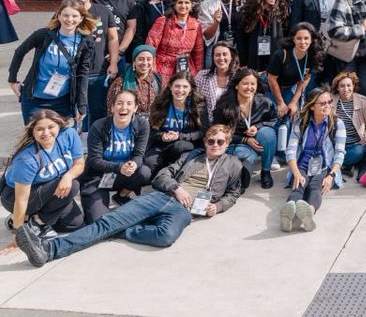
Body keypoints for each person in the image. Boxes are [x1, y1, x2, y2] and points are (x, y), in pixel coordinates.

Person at [12, 124, 247, 266]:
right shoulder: (191, 156)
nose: (214, 144)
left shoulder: (234, 164)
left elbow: (234, 192)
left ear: (227, 144)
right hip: (163, 198)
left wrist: (219, 206)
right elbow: (162, 175)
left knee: (164, 237)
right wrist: (176, 187)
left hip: (185, 212)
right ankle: (48, 250)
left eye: (220, 142)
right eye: (211, 141)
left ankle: (122, 229)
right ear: (205, 142)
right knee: (105, 224)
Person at [1, 111, 86, 240]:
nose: (46, 133)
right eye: (40, 129)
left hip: (49, 189)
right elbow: (21, 199)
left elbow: (79, 164)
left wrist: (67, 177)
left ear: (59, 125)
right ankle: (33, 223)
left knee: (75, 223)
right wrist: (19, 236)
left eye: (51, 127)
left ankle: (30, 219)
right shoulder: (27, 158)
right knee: (73, 186)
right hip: (15, 196)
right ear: (33, 132)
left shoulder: (69, 134)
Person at [7, 0, 95, 123]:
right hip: (34, 99)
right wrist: (12, 79)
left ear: (81, 18)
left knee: (60, 138)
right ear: (59, 16)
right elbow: (19, 52)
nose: (69, 20)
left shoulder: (85, 41)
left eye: (74, 16)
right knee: (34, 137)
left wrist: (81, 105)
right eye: (65, 15)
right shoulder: (44, 35)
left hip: (62, 101)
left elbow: (82, 73)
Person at [79, 90, 151, 224]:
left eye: (129, 103)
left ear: (135, 108)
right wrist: (119, 167)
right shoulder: (98, 126)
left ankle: (122, 195)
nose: (124, 107)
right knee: (98, 222)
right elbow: (94, 160)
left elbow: (138, 154)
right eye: (119, 103)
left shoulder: (142, 125)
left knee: (144, 172)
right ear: (112, 107)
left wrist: (134, 164)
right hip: (99, 176)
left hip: (123, 175)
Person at [281, 88, 345, 233]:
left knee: (315, 187)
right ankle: (288, 214)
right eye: (322, 103)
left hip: (324, 165)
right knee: (299, 186)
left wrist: (332, 176)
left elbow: (340, 153)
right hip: (302, 164)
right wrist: (296, 173)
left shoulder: (337, 123)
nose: (327, 106)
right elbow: (290, 150)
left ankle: (309, 212)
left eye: (329, 102)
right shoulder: (300, 122)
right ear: (311, 106)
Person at [212, 68, 279, 188]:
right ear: (237, 85)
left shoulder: (265, 102)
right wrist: (245, 140)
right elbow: (218, 132)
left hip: (258, 141)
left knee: (268, 133)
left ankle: (266, 171)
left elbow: (273, 120)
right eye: (245, 83)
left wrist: (257, 127)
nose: (249, 87)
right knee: (242, 154)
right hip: (235, 143)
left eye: (253, 84)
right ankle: (239, 176)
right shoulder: (224, 105)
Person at [145, 72, 205, 173]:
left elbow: (203, 132)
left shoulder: (198, 105)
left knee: (180, 146)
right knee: (150, 164)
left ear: (190, 90)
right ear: (170, 87)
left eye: (185, 87)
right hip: (162, 145)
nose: (180, 90)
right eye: (177, 86)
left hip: (185, 144)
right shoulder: (160, 103)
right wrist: (162, 136)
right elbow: (151, 131)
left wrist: (180, 136)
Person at [266, 23, 323, 126]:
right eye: (299, 38)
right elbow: (271, 79)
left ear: (311, 40)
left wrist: (293, 101)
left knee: (290, 117)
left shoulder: (312, 56)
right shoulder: (281, 54)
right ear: (293, 39)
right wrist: (280, 102)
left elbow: (305, 79)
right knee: (276, 117)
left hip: (290, 88)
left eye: (306, 38)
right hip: (271, 87)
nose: (303, 42)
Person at [331, 71, 366, 175]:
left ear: (353, 86)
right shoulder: (331, 100)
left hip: (355, 144)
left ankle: (334, 164)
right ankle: (345, 165)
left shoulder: (364, 101)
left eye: (348, 85)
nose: (346, 89)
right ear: (337, 88)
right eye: (342, 86)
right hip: (336, 144)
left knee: (359, 153)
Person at [195, 43, 238, 124]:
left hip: (231, 124)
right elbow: (195, 101)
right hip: (206, 124)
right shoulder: (201, 76)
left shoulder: (238, 77)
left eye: (225, 54)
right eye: (217, 55)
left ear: (231, 57)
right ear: (213, 58)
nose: (221, 58)